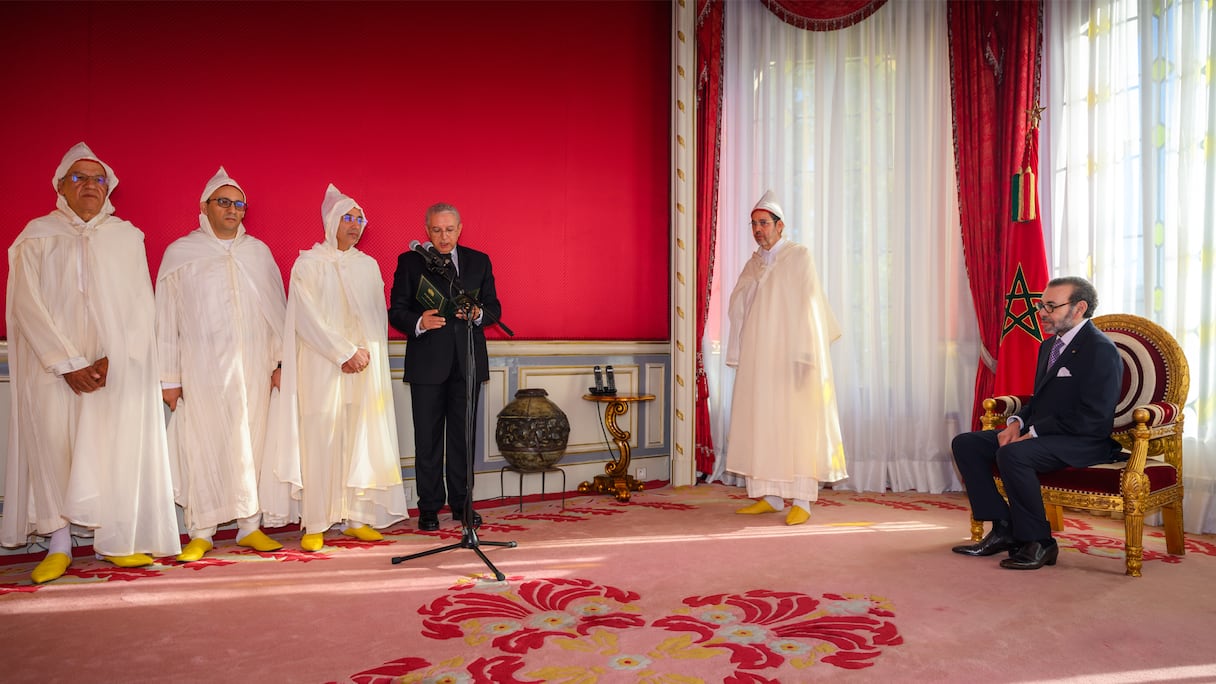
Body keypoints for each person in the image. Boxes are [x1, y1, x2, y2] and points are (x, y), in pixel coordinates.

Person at [2, 142, 180, 583]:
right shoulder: (37, 234)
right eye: (78, 177)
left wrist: (113, 356)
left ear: (109, 189)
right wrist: (68, 361)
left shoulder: (126, 237)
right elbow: (27, 304)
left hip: (110, 371)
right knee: (53, 447)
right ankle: (59, 544)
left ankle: (114, 540)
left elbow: (141, 304)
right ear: (60, 185)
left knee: (109, 450)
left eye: (98, 179)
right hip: (54, 368)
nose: (89, 186)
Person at [156, 167, 293, 562]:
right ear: (205, 207)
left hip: (253, 369)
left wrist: (279, 362)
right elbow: (165, 319)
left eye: (238, 204)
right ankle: (201, 530)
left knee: (253, 442)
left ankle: (250, 526)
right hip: (202, 372)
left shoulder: (258, 252)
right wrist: (168, 377)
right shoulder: (182, 254)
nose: (233, 210)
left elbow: (275, 311)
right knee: (204, 445)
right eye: (224, 202)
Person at [951, 276, 1123, 569]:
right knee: (967, 443)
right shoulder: (1048, 346)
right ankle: (1005, 528)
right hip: (1045, 434)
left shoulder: (1100, 349)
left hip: (1084, 441)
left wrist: (1034, 432)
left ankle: (1040, 541)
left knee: (1013, 453)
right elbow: (1040, 400)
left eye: (1051, 306)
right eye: (1041, 305)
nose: (1042, 313)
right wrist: (1017, 422)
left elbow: (1093, 415)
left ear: (1079, 308)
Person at [275, 184, 409, 551]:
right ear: (330, 221)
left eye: (359, 218)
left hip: (363, 369)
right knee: (322, 437)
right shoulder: (308, 263)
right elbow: (306, 317)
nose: (354, 225)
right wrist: (343, 352)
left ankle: (357, 517)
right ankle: (316, 521)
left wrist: (365, 356)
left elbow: (374, 318)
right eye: (347, 218)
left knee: (359, 437)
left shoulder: (368, 266)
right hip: (322, 367)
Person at [726, 190, 848, 526]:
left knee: (797, 426)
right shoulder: (754, 263)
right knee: (763, 424)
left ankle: (803, 501)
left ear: (781, 226)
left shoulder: (798, 256)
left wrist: (806, 355)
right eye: (754, 224)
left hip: (792, 358)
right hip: (759, 360)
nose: (758, 229)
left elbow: (809, 306)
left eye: (764, 223)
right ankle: (770, 495)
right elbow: (740, 304)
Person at [388, 203, 501, 531]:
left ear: (460, 229)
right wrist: (418, 321)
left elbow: (494, 308)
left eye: (449, 229)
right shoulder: (410, 262)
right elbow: (396, 310)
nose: (443, 236)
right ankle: (428, 507)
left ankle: (463, 505)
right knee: (428, 440)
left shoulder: (479, 261)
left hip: (467, 361)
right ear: (427, 230)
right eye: (436, 230)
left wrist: (477, 315)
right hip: (426, 363)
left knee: (463, 439)